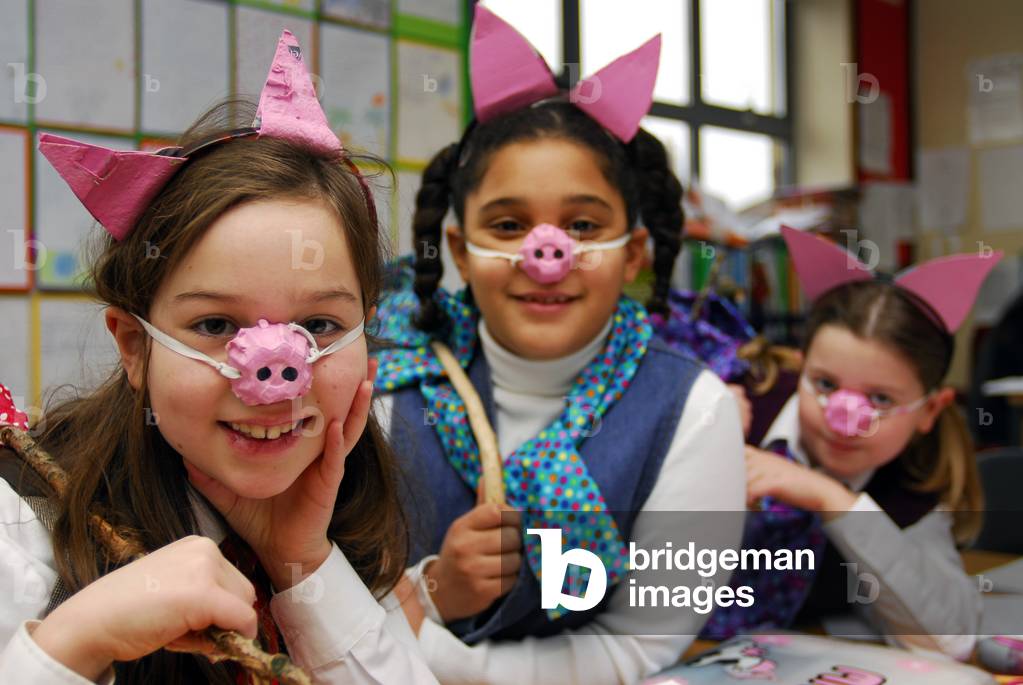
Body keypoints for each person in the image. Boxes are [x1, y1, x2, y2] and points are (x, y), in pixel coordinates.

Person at [0, 31, 437, 685]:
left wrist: (302, 560)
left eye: (319, 324)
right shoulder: (25, 521)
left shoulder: (344, 504)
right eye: (214, 324)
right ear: (135, 347)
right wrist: (75, 640)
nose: (275, 380)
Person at [372, 7, 745, 684]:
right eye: (509, 224)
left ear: (632, 253)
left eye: (581, 223)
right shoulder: (387, 391)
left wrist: (448, 657)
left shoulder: (691, 409)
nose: (547, 256)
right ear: (460, 248)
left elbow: (641, 643)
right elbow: (328, 595)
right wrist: (434, 587)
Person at [703, 226, 998, 660]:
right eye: (824, 384)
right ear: (801, 369)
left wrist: (834, 500)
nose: (844, 422)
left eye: (880, 399)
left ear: (929, 412)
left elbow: (949, 638)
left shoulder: (911, 485)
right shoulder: (741, 403)